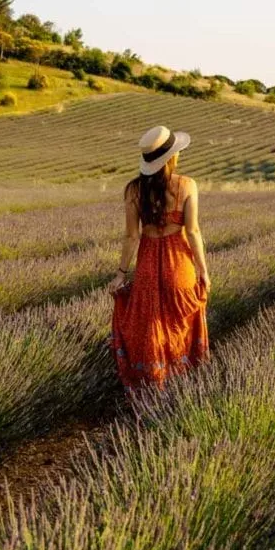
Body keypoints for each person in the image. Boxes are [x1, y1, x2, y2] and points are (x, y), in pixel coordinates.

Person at [107, 125, 211, 390]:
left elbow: (131, 237)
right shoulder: (187, 185)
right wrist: (203, 270)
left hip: (148, 265)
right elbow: (193, 230)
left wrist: (121, 273)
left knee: (151, 324)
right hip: (180, 264)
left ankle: (154, 385)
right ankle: (183, 386)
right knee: (181, 324)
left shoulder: (133, 190)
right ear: (172, 157)